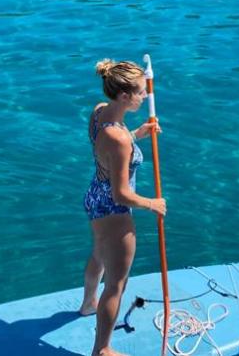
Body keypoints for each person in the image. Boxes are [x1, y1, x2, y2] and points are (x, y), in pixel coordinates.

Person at [81, 59, 167, 356]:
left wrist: (138, 134)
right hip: (114, 210)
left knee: (99, 256)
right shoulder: (119, 139)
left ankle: (87, 304)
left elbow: (108, 148)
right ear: (124, 96)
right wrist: (152, 204)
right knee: (116, 284)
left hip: (94, 197)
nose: (145, 97)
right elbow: (121, 195)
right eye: (141, 92)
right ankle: (102, 349)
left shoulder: (99, 113)